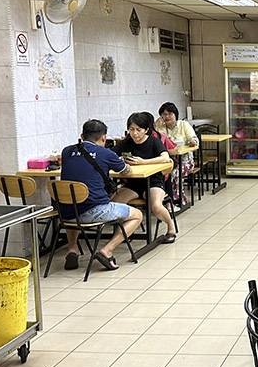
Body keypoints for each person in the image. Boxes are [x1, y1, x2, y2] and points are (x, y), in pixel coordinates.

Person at [58, 119, 142, 271]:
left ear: (82, 135)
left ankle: (72, 249)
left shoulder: (66, 151)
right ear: (104, 138)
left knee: (74, 202)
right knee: (137, 215)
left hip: (66, 213)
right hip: (94, 211)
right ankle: (107, 251)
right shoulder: (106, 153)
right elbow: (125, 171)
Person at [113, 111, 178, 243]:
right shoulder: (127, 142)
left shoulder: (154, 141)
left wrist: (143, 162)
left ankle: (171, 228)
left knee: (156, 206)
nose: (135, 133)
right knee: (115, 204)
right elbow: (111, 154)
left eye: (138, 130)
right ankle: (125, 232)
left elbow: (165, 157)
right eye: (131, 129)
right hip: (133, 183)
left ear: (146, 130)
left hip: (154, 181)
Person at [155, 101, 198, 205]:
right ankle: (162, 200)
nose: (167, 117)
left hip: (185, 161)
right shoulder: (160, 128)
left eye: (170, 114)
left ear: (175, 114)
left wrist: (192, 141)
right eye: (164, 114)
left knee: (174, 173)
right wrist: (156, 127)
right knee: (160, 174)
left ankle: (176, 199)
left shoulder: (183, 125)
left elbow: (194, 140)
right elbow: (156, 143)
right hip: (167, 161)